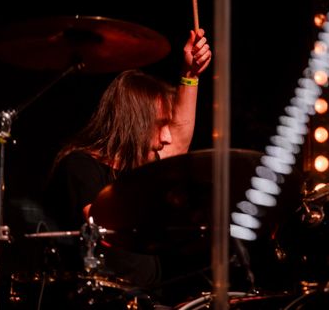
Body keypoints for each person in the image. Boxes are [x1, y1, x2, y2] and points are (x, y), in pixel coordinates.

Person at [39, 28, 212, 308]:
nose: (167, 137)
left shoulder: (141, 164)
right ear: (136, 126)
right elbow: (104, 224)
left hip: (149, 300)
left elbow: (179, 141)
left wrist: (190, 75)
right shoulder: (80, 166)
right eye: (160, 126)